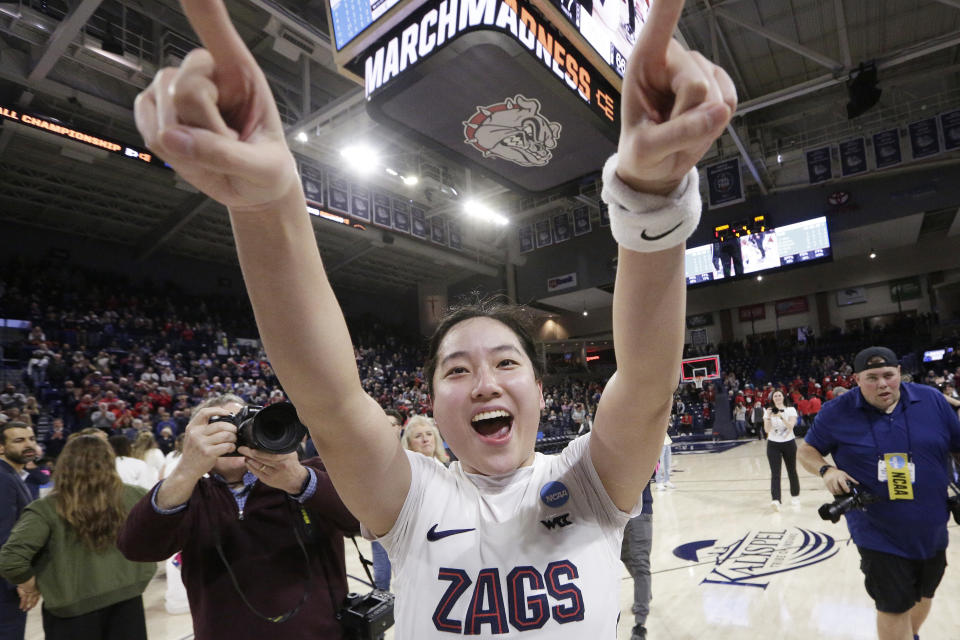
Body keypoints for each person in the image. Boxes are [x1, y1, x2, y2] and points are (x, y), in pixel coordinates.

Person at [133, 0, 734, 634]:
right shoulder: (413, 494)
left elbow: (643, 383)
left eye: (507, 362)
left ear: (537, 387)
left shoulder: (587, 480)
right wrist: (266, 205)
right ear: (433, 404)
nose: (485, 383)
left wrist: (652, 204)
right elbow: (330, 399)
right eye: (456, 370)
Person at [117, 394, 361, 640]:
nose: (233, 436)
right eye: (219, 428)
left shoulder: (311, 473)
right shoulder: (188, 496)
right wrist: (185, 471)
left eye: (243, 424)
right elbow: (137, 548)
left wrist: (300, 481)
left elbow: (364, 522)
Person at [798, 347, 960, 640]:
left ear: (900, 373)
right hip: (877, 531)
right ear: (857, 379)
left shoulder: (931, 400)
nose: (882, 384)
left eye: (888, 375)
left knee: (924, 593)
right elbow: (807, 450)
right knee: (893, 605)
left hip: (932, 524)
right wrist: (827, 471)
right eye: (872, 378)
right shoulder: (836, 412)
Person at [0, 435, 156, 640]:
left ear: (64, 464)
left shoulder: (45, 509)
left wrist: (29, 584)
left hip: (72, 611)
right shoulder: (137, 495)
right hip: (128, 599)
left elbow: (10, 559)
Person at [0, 422, 37, 640]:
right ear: (1, 447)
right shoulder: (3, 479)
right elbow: (3, 534)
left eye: (31, 439)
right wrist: (17, 579)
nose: (28, 444)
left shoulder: (13, 476)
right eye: (19, 440)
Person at [620, 479, 655, 640]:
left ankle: (640, 624)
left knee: (640, 563)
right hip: (618, 513)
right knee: (625, 556)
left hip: (640, 511)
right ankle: (645, 591)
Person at [764, 389, 800, 511]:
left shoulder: (791, 410)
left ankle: (795, 496)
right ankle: (776, 500)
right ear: (772, 398)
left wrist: (781, 416)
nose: (778, 397)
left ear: (783, 397)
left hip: (789, 443)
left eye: (779, 395)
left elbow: (791, 426)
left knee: (792, 470)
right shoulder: (768, 411)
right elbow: (767, 430)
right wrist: (769, 417)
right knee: (775, 473)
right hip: (773, 444)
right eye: (775, 396)